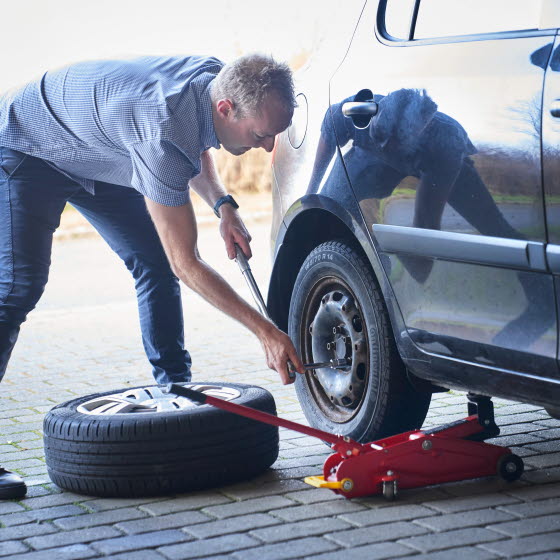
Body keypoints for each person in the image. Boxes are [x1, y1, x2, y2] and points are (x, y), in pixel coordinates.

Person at [0, 53, 305, 499]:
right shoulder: (160, 128)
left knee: (154, 266)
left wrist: (223, 205)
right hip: (29, 146)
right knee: (17, 287)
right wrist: (267, 333)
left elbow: (196, 141)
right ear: (227, 109)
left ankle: (178, 393)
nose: (265, 147)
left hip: (99, 154)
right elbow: (188, 263)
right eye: (261, 135)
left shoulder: (215, 78)